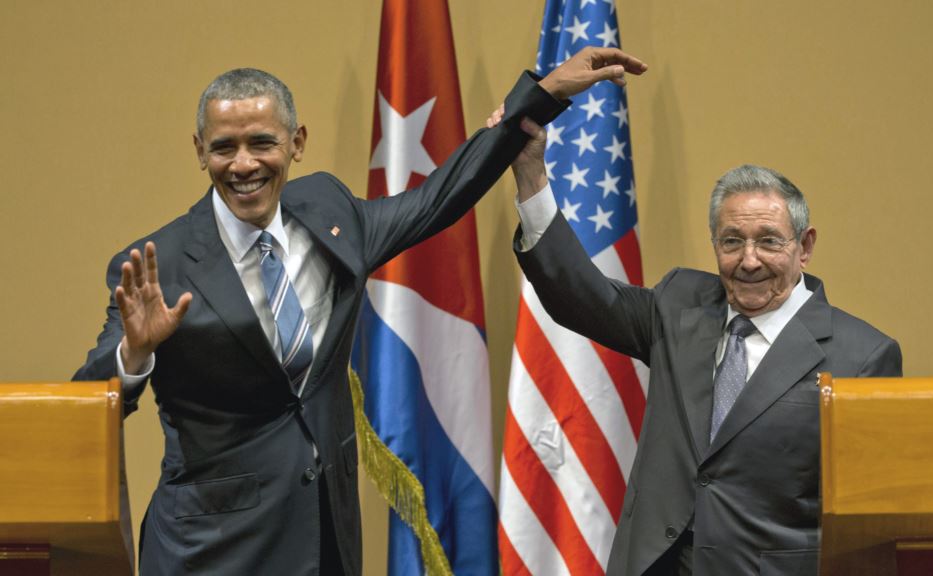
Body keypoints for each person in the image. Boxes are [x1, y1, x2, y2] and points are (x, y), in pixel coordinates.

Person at [74, 48, 647, 576]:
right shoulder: (156, 265)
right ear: (200, 151)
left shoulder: (329, 209)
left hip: (324, 537)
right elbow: (83, 412)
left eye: (261, 143)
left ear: (296, 142)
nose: (243, 164)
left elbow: (438, 197)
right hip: (210, 551)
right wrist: (134, 353)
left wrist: (543, 93)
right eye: (224, 147)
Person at [500, 114, 902, 575]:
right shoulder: (678, 305)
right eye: (732, 242)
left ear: (804, 246)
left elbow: (868, 520)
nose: (749, 261)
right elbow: (581, 297)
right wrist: (531, 176)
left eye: (769, 241)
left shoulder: (862, 355)